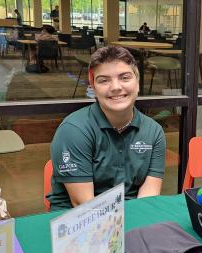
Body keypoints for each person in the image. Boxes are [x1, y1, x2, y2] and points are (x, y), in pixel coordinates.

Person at [46, 46, 166, 210]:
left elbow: (148, 197)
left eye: (125, 77)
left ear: (138, 82)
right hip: (78, 221)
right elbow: (84, 205)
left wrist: (139, 226)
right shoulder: (73, 130)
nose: (115, 87)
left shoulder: (154, 132)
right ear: (93, 87)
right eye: (104, 80)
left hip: (132, 214)